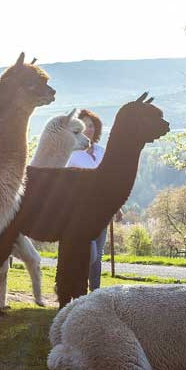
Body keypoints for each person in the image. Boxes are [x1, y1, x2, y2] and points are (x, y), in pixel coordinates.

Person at [66, 109, 121, 291]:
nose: (88, 129)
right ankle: (76, 288)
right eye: (84, 126)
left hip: (101, 213)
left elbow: (109, 182)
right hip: (80, 213)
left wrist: (117, 206)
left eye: (91, 126)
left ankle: (94, 293)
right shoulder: (71, 154)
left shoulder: (102, 152)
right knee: (90, 253)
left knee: (98, 256)